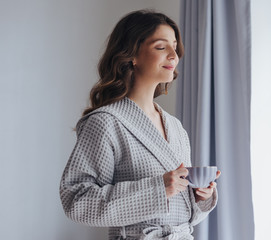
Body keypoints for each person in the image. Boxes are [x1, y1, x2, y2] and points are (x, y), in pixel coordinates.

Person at [59, 10, 220, 240]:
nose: (174, 55)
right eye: (161, 47)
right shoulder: (105, 122)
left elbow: (181, 211)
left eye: (175, 46)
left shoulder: (175, 127)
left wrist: (200, 196)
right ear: (132, 54)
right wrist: (158, 189)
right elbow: (76, 200)